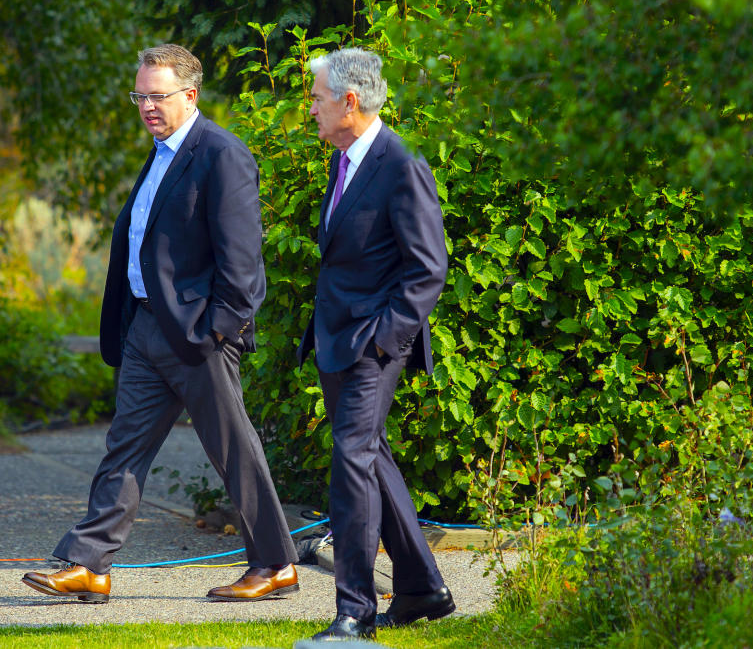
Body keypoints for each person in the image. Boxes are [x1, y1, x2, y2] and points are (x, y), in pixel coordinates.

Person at [22, 43, 299, 604]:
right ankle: (88, 563)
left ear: (190, 95)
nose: (147, 105)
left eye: (158, 95)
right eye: (140, 95)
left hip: (198, 336)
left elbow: (243, 260)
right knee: (123, 448)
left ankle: (274, 565)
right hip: (147, 329)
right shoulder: (160, 153)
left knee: (232, 450)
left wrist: (217, 329)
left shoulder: (220, 153)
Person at [294, 48, 454, 642]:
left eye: (316, 98)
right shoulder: (344, 161)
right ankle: (422, 591)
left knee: (351, 460)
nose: (311, 108)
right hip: (338, 340)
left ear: (349, 101)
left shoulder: (400, 163)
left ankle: (354, 613)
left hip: (372, 345)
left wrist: (386, 343)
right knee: (370, 457)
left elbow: (428, 268)